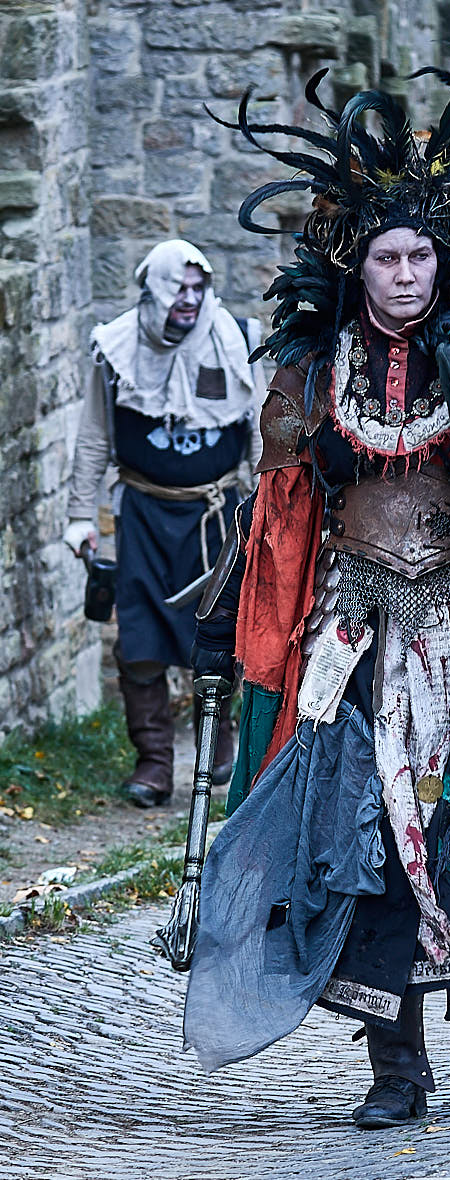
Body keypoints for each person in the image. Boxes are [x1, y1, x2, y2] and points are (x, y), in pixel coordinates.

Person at [185, 59, 450, 1129]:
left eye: (420, 255)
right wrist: (237, 626)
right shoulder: (310, 373)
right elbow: (276, 517)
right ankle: (396, 1068)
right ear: (360, 263)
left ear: (443, 261)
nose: (405, 274)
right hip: (348, 636)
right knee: (365, 843)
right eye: (388, 257)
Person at [64, 240, 262, 808]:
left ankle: (216, 741)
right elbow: (94, 437)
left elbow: (258, 430)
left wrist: (268, 508)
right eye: (178, 288)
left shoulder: (236, 338)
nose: (189, 299)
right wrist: (80, 514)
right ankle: (153, 761)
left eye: (198, 288)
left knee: (218, 632)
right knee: (140, 637)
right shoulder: (115, 346)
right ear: (152, 290)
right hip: (144, 513)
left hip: (217, 514)